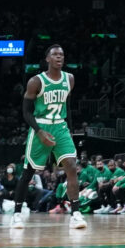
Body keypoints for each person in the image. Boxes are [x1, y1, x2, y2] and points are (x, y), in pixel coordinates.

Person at [12, 44, 85, 230]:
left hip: (60, 127)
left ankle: (75, 213)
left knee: (71, 166)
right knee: (29, 171)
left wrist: (69, 129)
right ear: (47, 59)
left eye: (62, 54)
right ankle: (17, 214)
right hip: (41, 125)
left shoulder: (70, 79)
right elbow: (26, 112)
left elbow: (67, 107)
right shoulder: (36, 81)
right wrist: (39, 131)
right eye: (55, 54)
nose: (59, 57)